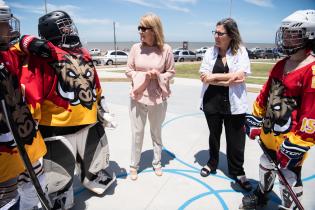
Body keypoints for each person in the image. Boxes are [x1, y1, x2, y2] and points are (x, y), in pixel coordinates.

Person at [19, 10, 115, 209]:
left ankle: (92, 175)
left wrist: (101, 105)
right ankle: (61, 191)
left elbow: (94, 83)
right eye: (64, 26)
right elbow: (32, 92)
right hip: (57, 125)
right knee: (59, 164)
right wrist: (30, 127)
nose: (70, 30)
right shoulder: (43, 56)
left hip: (88, 119)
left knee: (93, 153)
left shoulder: (84, 53)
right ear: (52, 30)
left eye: (69, 25)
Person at [240, 9, 315, 210]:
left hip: (291, 138)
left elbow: (311, 112)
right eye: (285, 33)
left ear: (309, 35)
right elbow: (266, 93)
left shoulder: (311, 69)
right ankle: (262, 195)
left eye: (293, 33)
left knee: (289, 175)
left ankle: (288, 206)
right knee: (266, 161)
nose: (286, 37)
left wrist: (300, 141)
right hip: (269, 131)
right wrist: (255, 118)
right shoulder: (281, 64)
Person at [0, 1, 48, 209]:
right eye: (4, 24)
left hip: (21, 139)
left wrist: (29, 41)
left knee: (36, 184)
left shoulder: (6, 53)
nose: (10, 29)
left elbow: (21, 45)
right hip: (4, 149)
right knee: (6, 197)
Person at [199, 17, 252, 191]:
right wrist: (228, 79)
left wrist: (214, 77)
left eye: (220, 33)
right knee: (214, 136)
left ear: (230, 35)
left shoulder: (241, 52)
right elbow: (204, 76)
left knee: (236, 140)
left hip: (234, 104)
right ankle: (212, 163)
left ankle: (238, 171)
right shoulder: (209, 52)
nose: (216, 36)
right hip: (211, 102)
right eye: (215, 32)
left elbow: (241, 76)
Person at [125, 13, 175, 181]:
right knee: (137, 132)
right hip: (137, 96)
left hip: (158, 98)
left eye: (143, 28)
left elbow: (171, 72)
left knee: (156, 132)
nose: (140, 31)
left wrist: (158, 76)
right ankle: (134, 164)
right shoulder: (135, 48)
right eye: (139, 27)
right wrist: (145, 76)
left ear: (154, 30)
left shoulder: (166, 49)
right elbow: (128, 70)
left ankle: (157, 162)